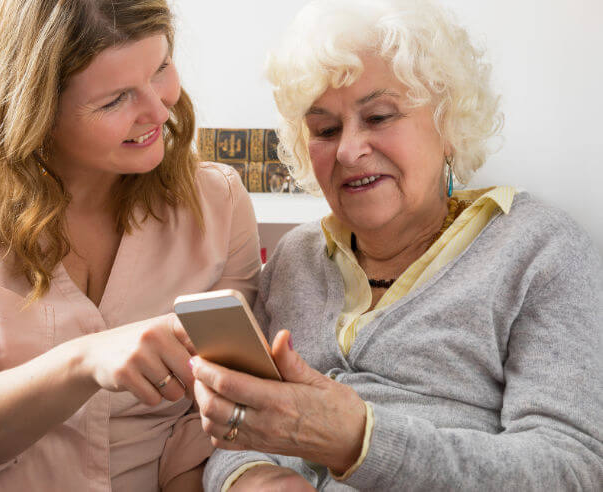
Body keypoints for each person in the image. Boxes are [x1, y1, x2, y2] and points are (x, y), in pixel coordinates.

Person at [195, 0, 603, 490]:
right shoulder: (295, 259)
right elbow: (240, 429)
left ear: (448, 124)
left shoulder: (539, 250)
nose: (348, 150)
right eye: (325, 130)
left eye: (380, 116)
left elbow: (571, 468)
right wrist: (253, 477)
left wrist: (360, 440)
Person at [0, 0, 261, 491]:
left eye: (161, 68)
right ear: (39, 109)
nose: (159, 110)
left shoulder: (219, 204)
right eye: (115, 100)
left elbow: (207, 424)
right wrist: (86, 361)